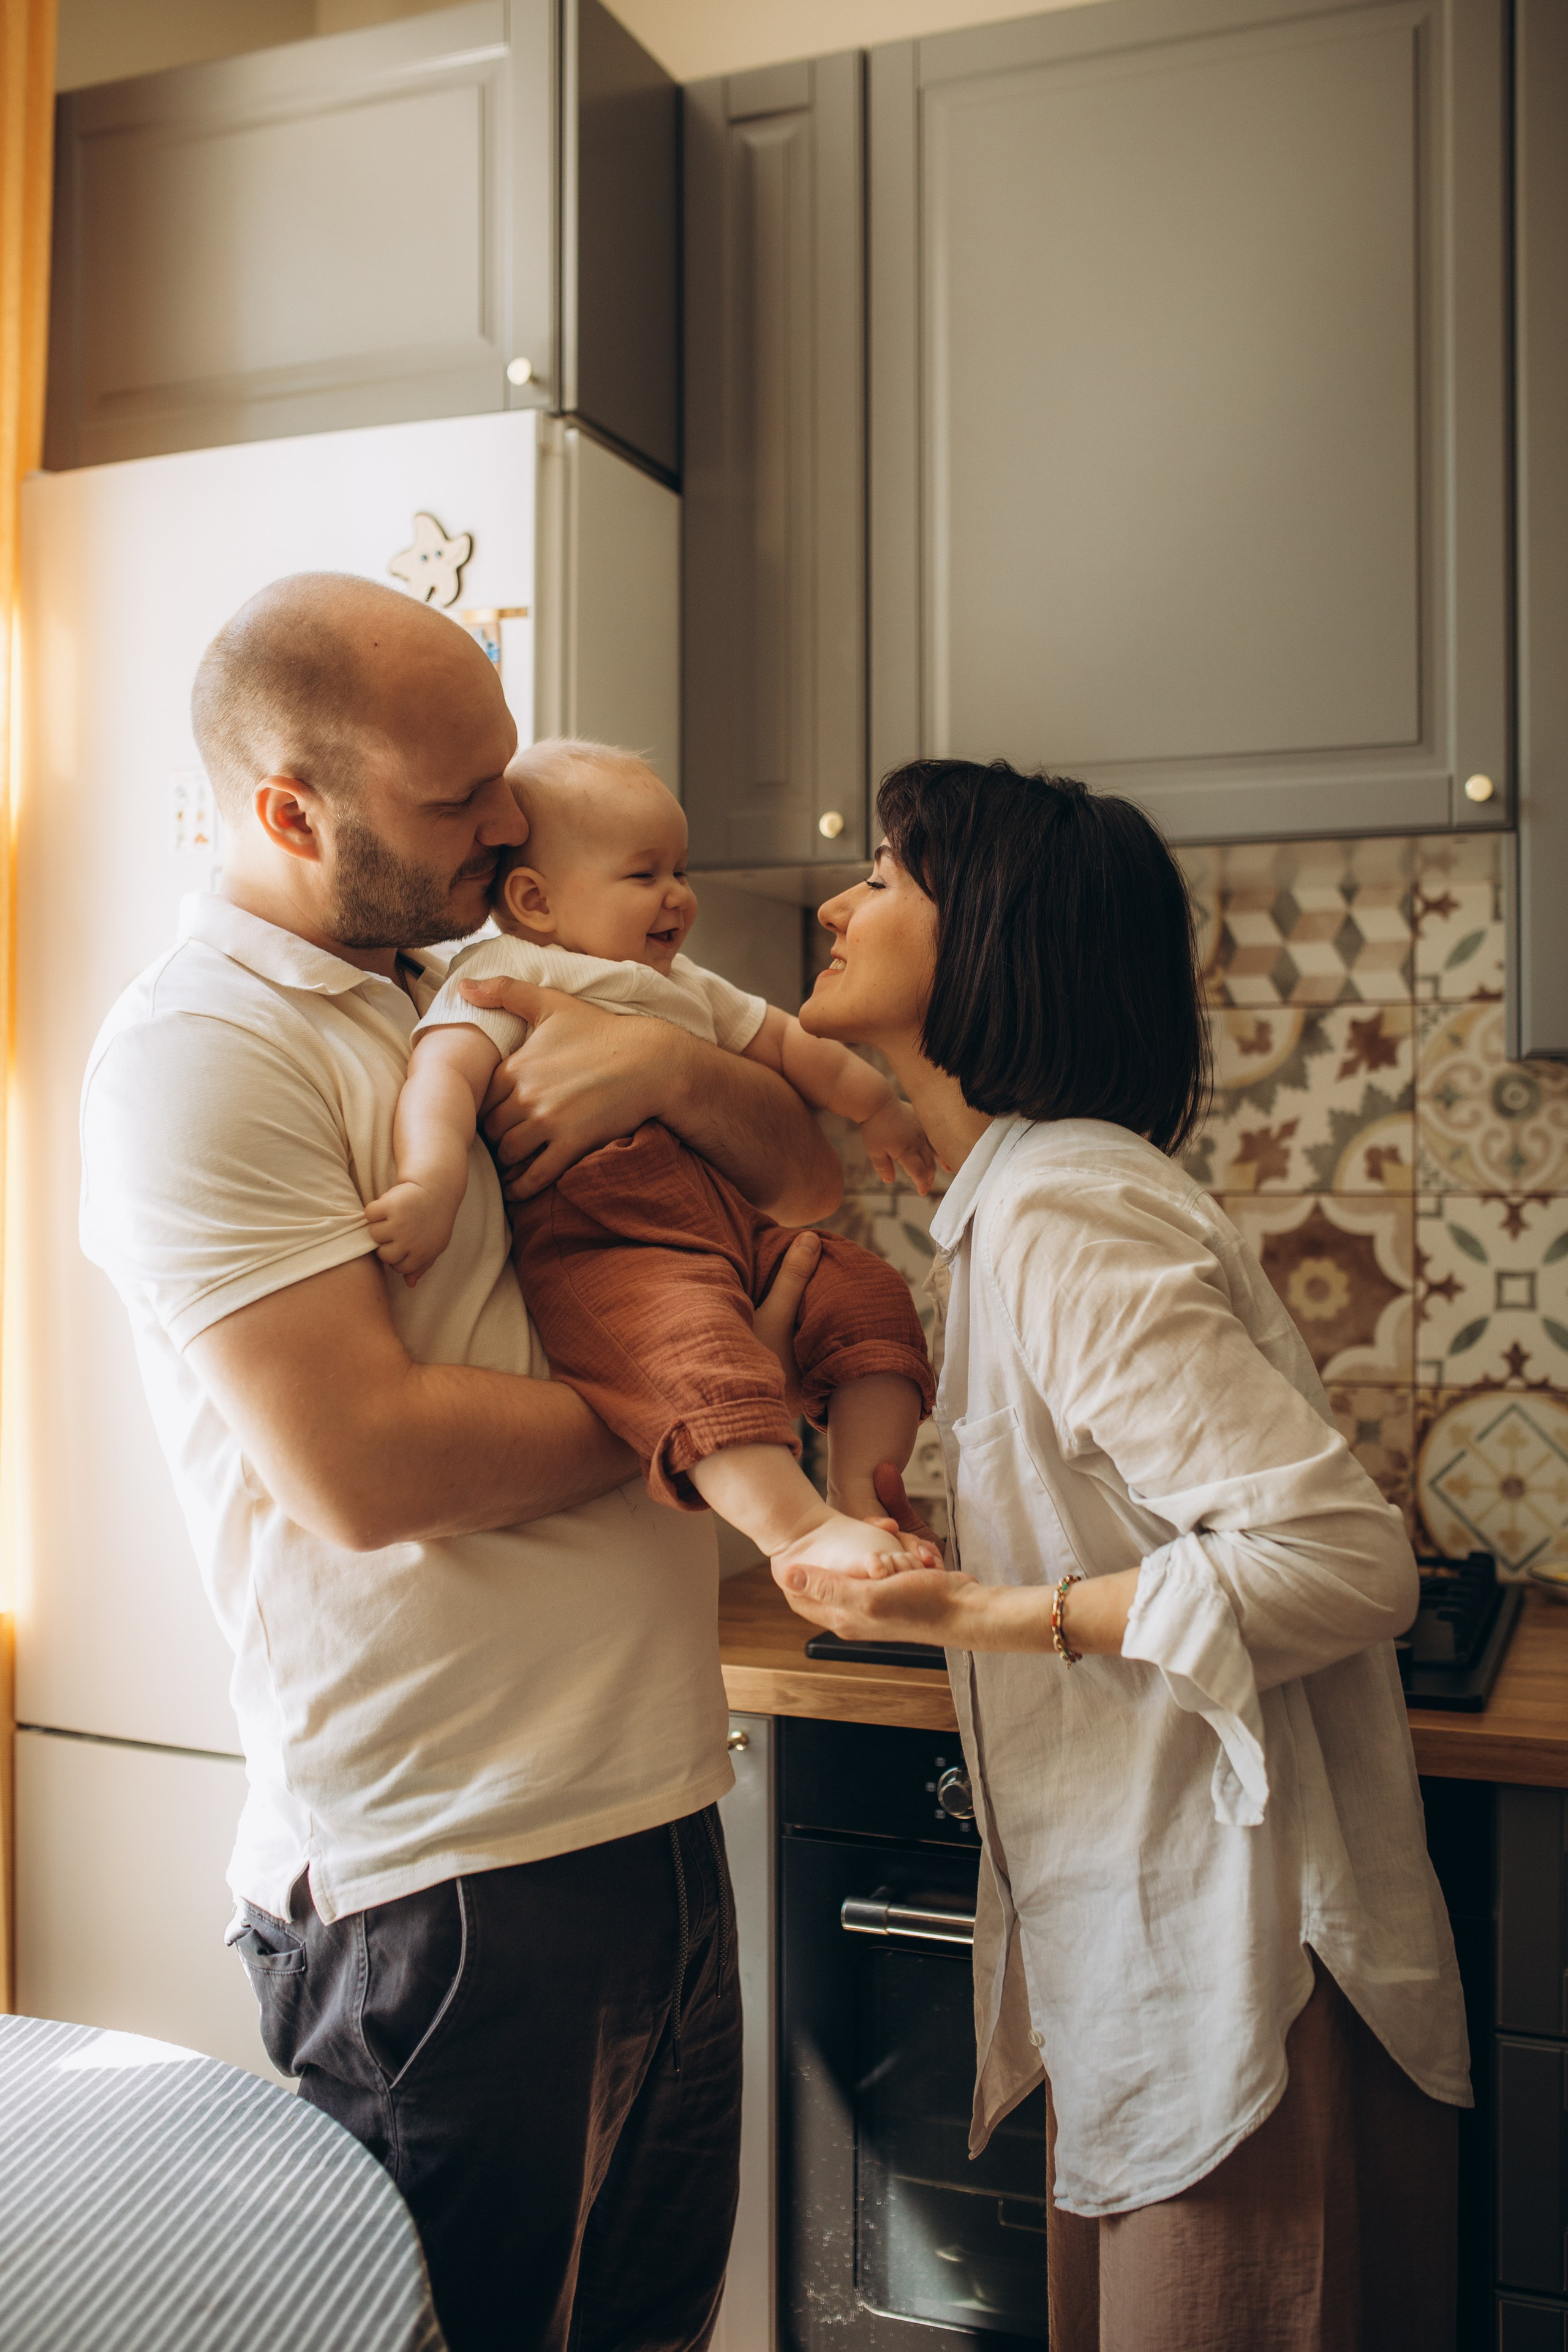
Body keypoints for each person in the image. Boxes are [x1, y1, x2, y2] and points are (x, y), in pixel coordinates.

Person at [78, 571, 842, 2352]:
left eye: (504, 771)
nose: (509, 823)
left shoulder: (464, 978)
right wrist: (717, 1406)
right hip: (446, 1879)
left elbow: (805, 1165)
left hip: (646, 1806)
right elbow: (370, 1465)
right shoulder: (203, 1053)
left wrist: (654, 1069)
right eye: (455, 798)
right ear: (289, 812)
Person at [775, 758, 1472, 2352]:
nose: (838, 898)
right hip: (1169, 1966)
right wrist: (956, 1523)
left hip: (1243, 1986)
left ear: (994, 933)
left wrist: (1005, 1609)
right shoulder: (1012, 1198)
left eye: (885, 874)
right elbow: (1131, 1494)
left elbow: (1345, 1563)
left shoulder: (1064, 1207)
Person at [366, 736, 937, 1574]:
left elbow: (786, 1041)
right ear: (536, 897)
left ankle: (863, 1493)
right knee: (699, 1355)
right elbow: (441, 1076)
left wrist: (877, 1105)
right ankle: (801, 1533)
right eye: (645, 875)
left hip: (732, 1228)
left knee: (865, 1290)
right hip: (612, 1244)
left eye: (680, 870)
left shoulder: (683, 983)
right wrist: (430, 1182)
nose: (678, 897)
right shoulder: (507, 969)